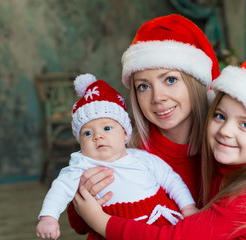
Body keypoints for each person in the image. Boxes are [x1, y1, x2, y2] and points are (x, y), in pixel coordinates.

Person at [73, 59, 246, 240]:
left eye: (245, 124)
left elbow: (174, 237)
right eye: (221, 116)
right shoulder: (127, 152)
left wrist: (101, 221)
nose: (226, 131)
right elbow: (81, 221)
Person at [67, 14, 221, 234]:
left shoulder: (224, 148)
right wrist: (83, 193)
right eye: (143, 86)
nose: (157, 97)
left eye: (170, 80)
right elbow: (81, 226)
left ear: (196, 82)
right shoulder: (126, 150)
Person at [36, 74, 198, 240]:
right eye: (87, 132)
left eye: (107, 128)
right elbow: (59, 190)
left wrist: (188, 207)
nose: (97, 136)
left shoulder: (143, 158)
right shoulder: (81, 166)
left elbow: (172, 181)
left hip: (158, 221)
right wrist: (48, 217)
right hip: (110, 230)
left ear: (125, 134)